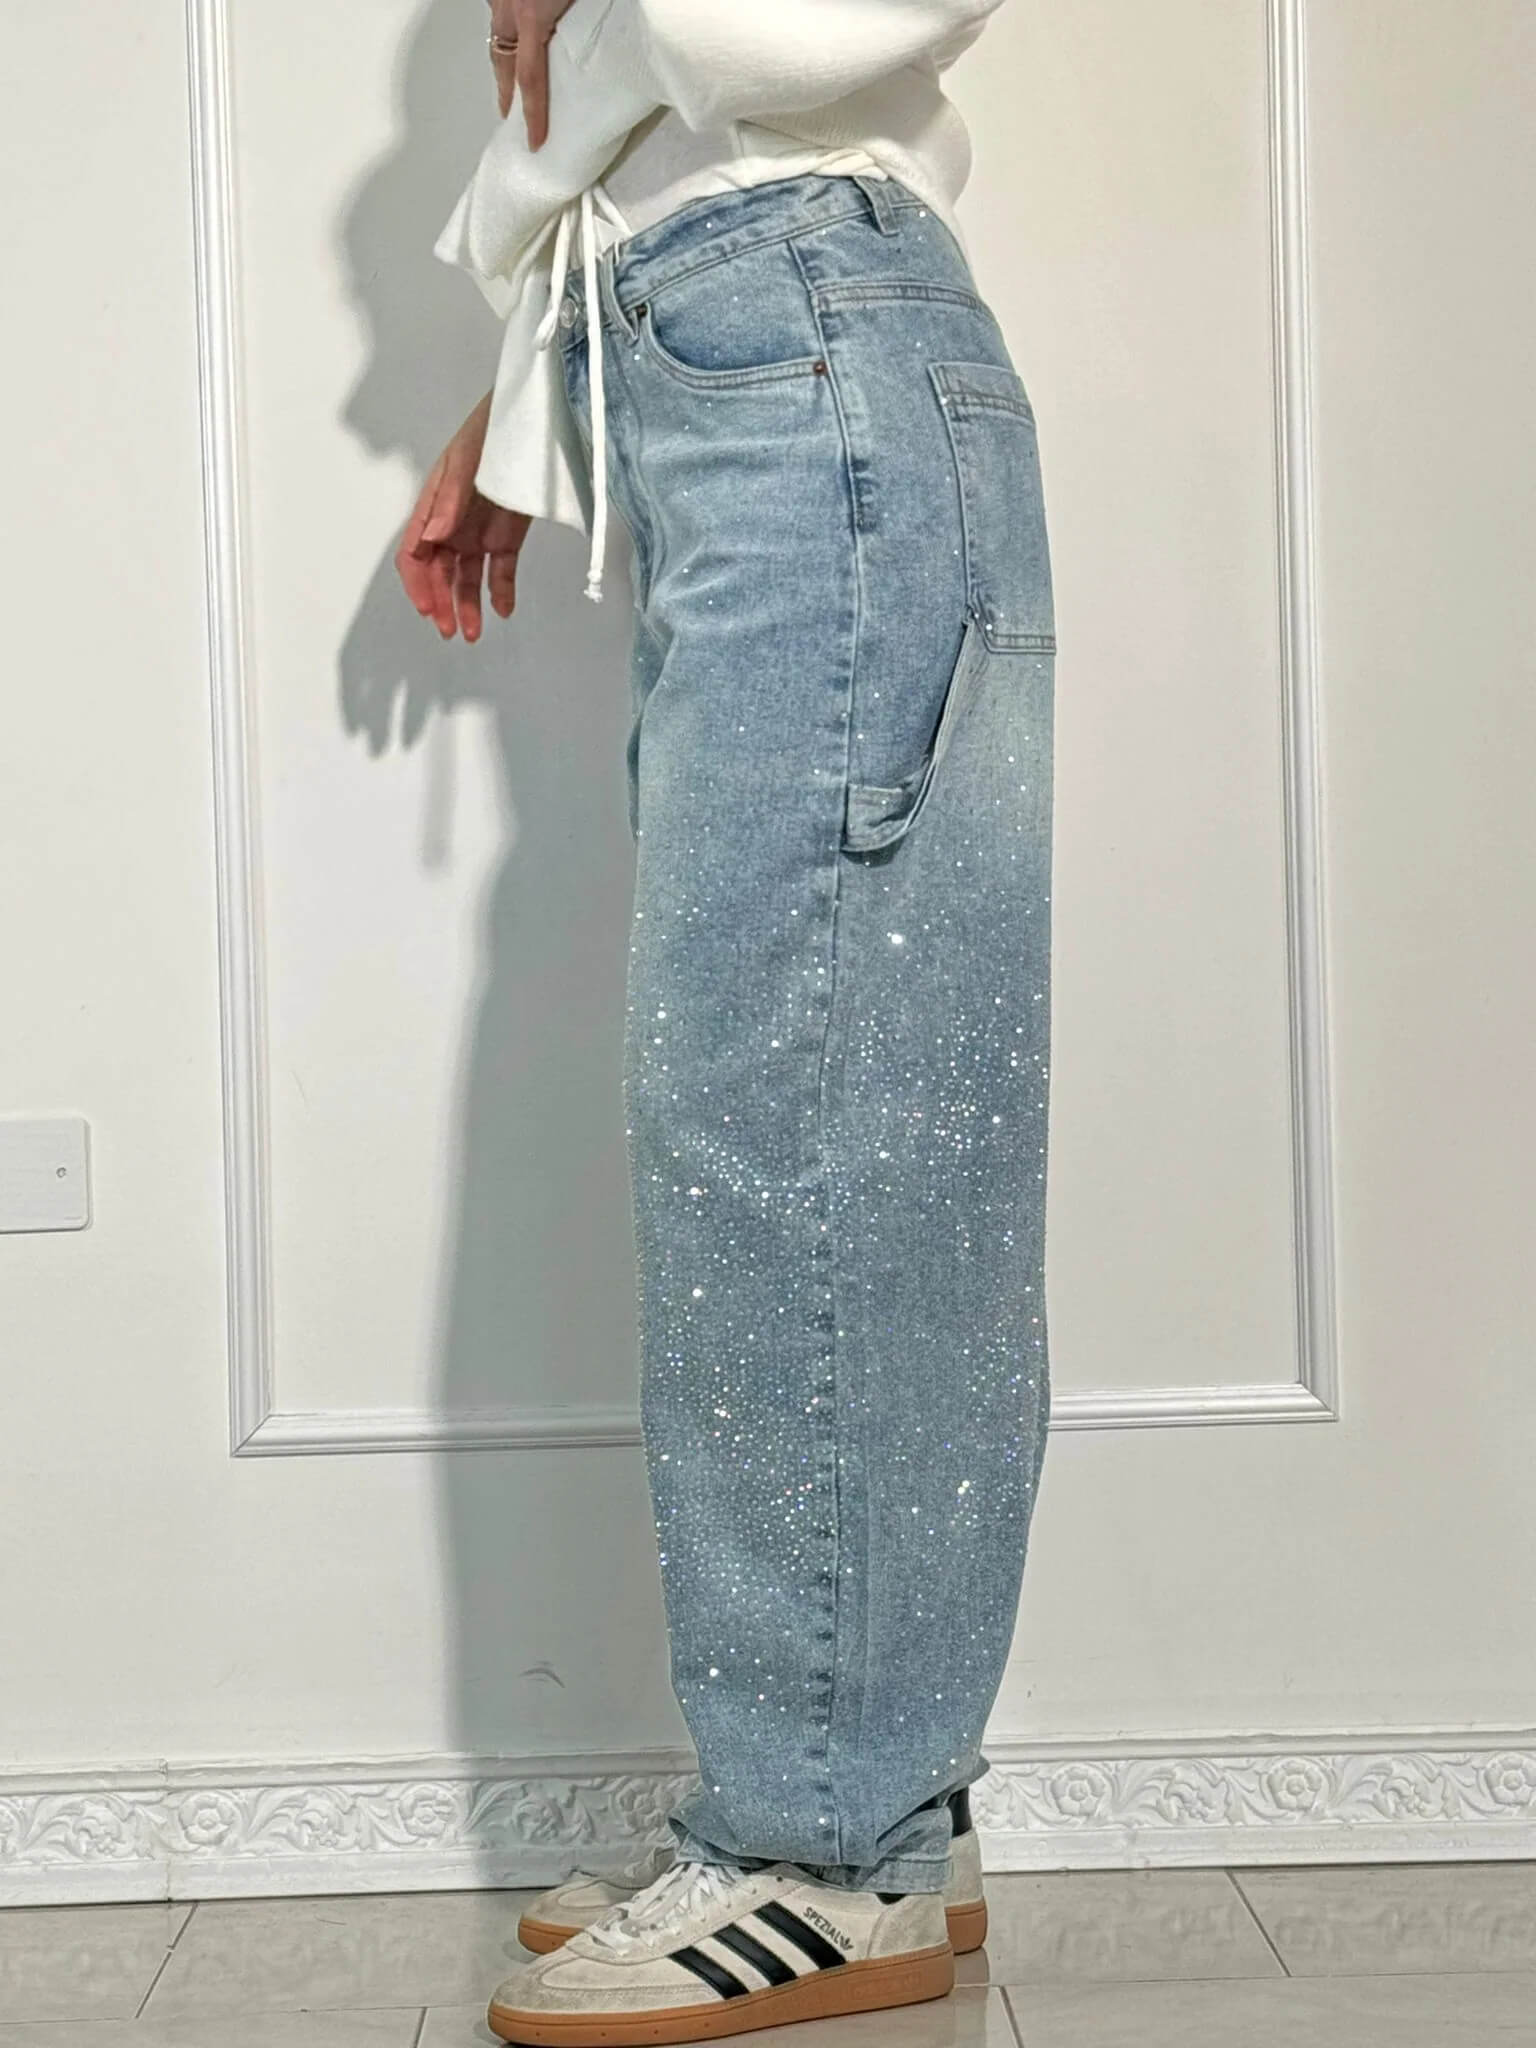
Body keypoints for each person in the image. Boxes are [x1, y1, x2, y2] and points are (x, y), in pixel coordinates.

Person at [396, 3, 1055, 2040]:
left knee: (804, 1117)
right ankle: (880, 1818)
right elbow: (655, 127)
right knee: (815, 1101)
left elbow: (758, 43)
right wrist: (526, 403)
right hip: (745, 363)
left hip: (806, 354)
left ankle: (821, 1851)